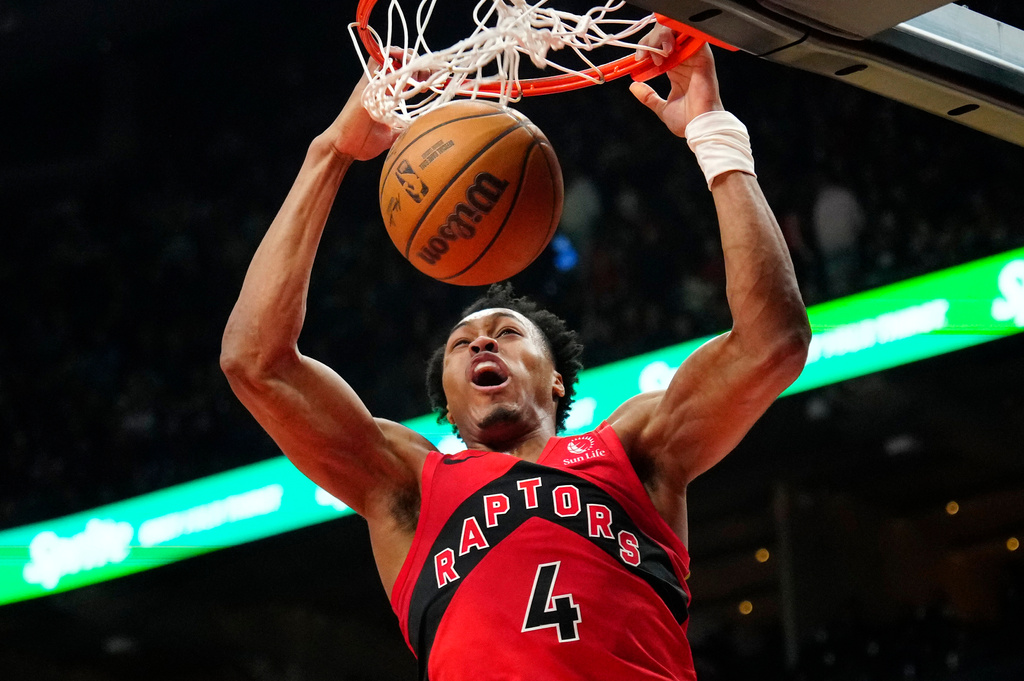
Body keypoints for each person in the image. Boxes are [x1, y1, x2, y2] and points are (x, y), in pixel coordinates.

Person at [221, 26, 810, 681]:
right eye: (461, 342)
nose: (479, 339)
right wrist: (329, 152)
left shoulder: (636, 448)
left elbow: (771, 342)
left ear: (556, 380)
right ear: (445, 399)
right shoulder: (408, 485)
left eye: (505, 332)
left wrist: (713, 134)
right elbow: (256, 361)